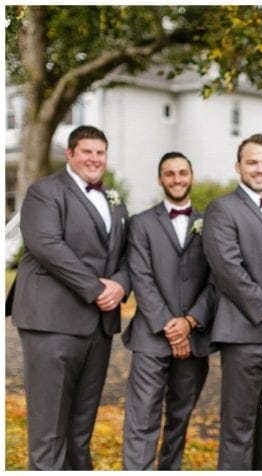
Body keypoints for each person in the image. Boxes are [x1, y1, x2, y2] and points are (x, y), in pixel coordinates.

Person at [9, 125, 131, 469]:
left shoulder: (113, 199)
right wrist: (97, 289)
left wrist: (121, 284)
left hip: (98, 329)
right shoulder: (44, 192)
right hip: (52, 323)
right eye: (87, 151)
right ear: (71, 154)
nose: (94, 159)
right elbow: (47, 246)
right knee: (48, 430)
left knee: (81, 429)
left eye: (100, 152)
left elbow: (126, 253)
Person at [121, 152, 215, 470]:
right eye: (169, 173)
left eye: (182, 173)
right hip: (150, 337)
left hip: (195, 338)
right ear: (160, 179)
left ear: (191, 176)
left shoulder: (209, 224)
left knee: (179, 420)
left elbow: (216, 280)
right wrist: (169, 325)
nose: (177, 179)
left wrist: (189, 322)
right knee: (141, 419)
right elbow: (140, 277)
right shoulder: (141, 223)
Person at [203, 133, 262, 469]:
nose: (259, 169)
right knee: (238, 427)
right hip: (243, 333)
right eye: (252, 162)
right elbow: (228, 270)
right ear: (238, 166)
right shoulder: (222, 209)